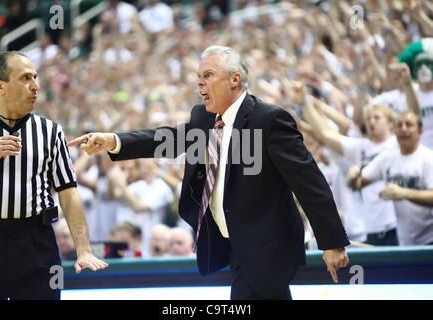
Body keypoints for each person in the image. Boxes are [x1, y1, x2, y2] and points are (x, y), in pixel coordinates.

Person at [68, 45, 349, 300]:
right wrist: (114, 141)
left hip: (268, 248)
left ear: (234, 80)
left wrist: (333, 242)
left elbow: (309, 181)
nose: (200, 83)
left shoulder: (269, 119)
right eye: (199, 76)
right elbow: (167, 138)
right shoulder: (203, 118)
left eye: (209, 75)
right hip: (235, 247)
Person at [0, 52, 108, 300]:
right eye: (26, 78)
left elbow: (69, 193)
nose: (36, 86)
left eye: (36, 77)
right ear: (0, 86)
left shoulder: (50, 131)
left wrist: (83, 249)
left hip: (36, 240)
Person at [302, 95, 399, 246]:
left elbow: (341, 126)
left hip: (396, 225)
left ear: (391, 123)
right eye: (368, 119)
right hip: (371, 228)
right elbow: (325, 134)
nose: (371, 121)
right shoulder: (361, 148)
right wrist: (304, 102)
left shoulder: (398, 145)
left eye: (377, 118)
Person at [347, 111, 433, 245]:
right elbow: (356, 185)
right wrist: (352, 177)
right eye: (399, 125)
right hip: (403, 241)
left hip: (429, 240)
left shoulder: (428, 158)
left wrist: (404, 193)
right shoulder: (387, 159)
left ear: (420, 130)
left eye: (409, 125)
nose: (404, 129)